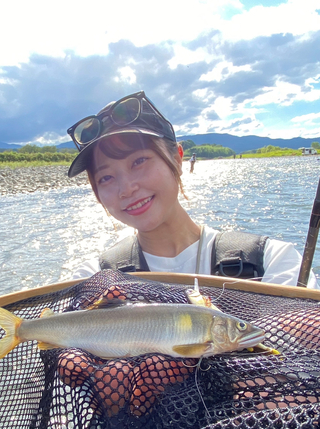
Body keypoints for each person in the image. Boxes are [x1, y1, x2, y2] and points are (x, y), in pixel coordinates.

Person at [66, 90, 318, 289]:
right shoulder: (92, 279)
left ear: (177, 158)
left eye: (139, 161)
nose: (127, 188)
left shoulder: (272, 262)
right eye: (106, 177)